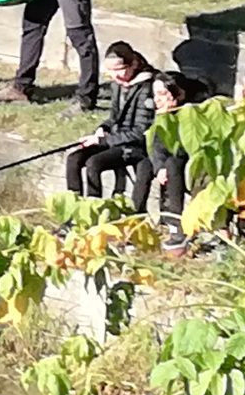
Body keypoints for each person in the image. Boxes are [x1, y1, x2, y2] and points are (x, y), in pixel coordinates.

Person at [65, 42, 158, 203]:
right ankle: (74, 209)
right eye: (110, 71)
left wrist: (104, 141)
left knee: (94, 163)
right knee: (73, 159)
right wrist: (102, 129)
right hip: (115, 139)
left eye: (119, 70)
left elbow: (141, 131)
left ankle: (94, 208)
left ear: (133, 64)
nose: (115, 76)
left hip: (135, 146)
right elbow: (114, 117)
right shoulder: (117, 86)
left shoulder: (147, 88)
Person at [145, 69, 195, 246]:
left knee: (173, 164)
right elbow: (156, 145)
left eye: (162, 94)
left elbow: (186, 146)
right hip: (168, 159)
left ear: (179, 94)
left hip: (188, 158)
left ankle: (176, 227)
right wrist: (159, 167)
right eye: (154, 94)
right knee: (147, 165)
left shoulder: (190, 112)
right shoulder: (161, 116)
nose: (156, 100)